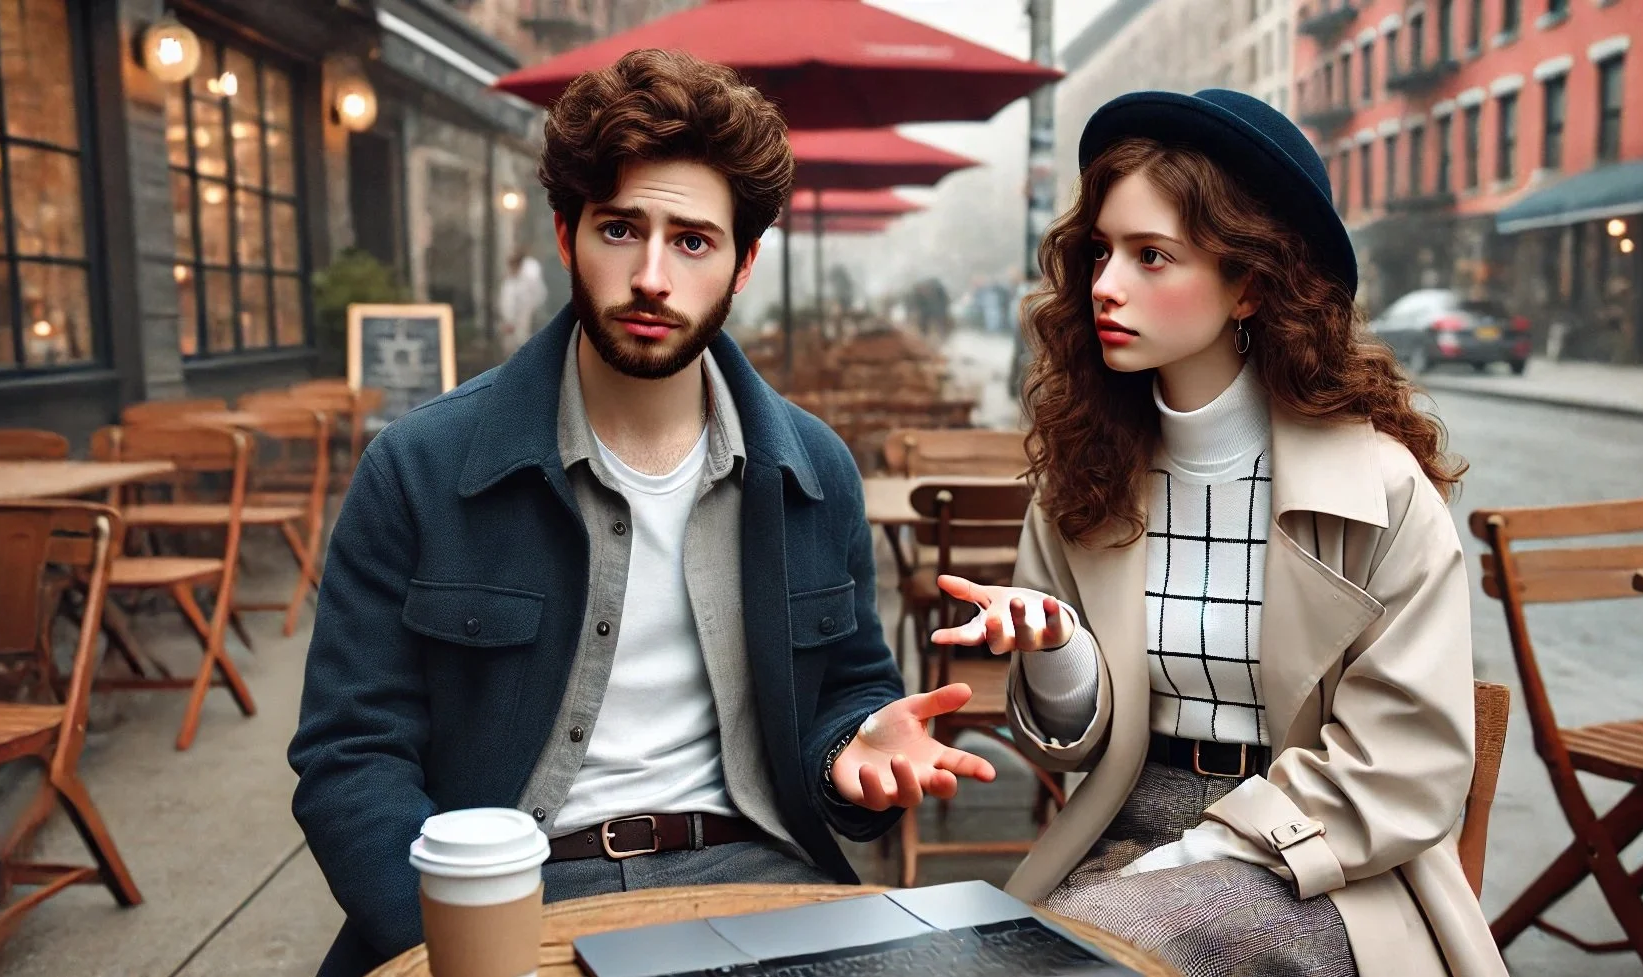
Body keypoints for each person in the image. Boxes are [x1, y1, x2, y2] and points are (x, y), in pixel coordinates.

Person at [289, 49, 996, 977]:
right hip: (515, 896)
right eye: (622, 229)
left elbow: (848, 692)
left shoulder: (812, 469)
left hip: (760, 878)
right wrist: (445, 937)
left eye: (693, 241)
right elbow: (351, 757)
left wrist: (853, 757)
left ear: (743, 264)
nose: (653, 275)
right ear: (565, 234)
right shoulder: (420, 467)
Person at [933, 90, 1508, 975]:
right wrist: (1058, 652)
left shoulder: (1380, 488)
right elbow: (1078, 746)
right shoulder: (1084, 473)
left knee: (1082, 951)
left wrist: (1198, 858)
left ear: (1250, 284)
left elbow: (1403, 766)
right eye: (1101, 252)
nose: (1105, 286)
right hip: (1119, 824)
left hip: (1321, 860)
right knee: (1001, 952)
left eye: (1151, 255)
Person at [496, 249, 549, 357]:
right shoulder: (510, 283)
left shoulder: (529, 276)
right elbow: (507, 304)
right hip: (515, 324)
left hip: (528, 319)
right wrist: (508, 321)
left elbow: (537, 296)